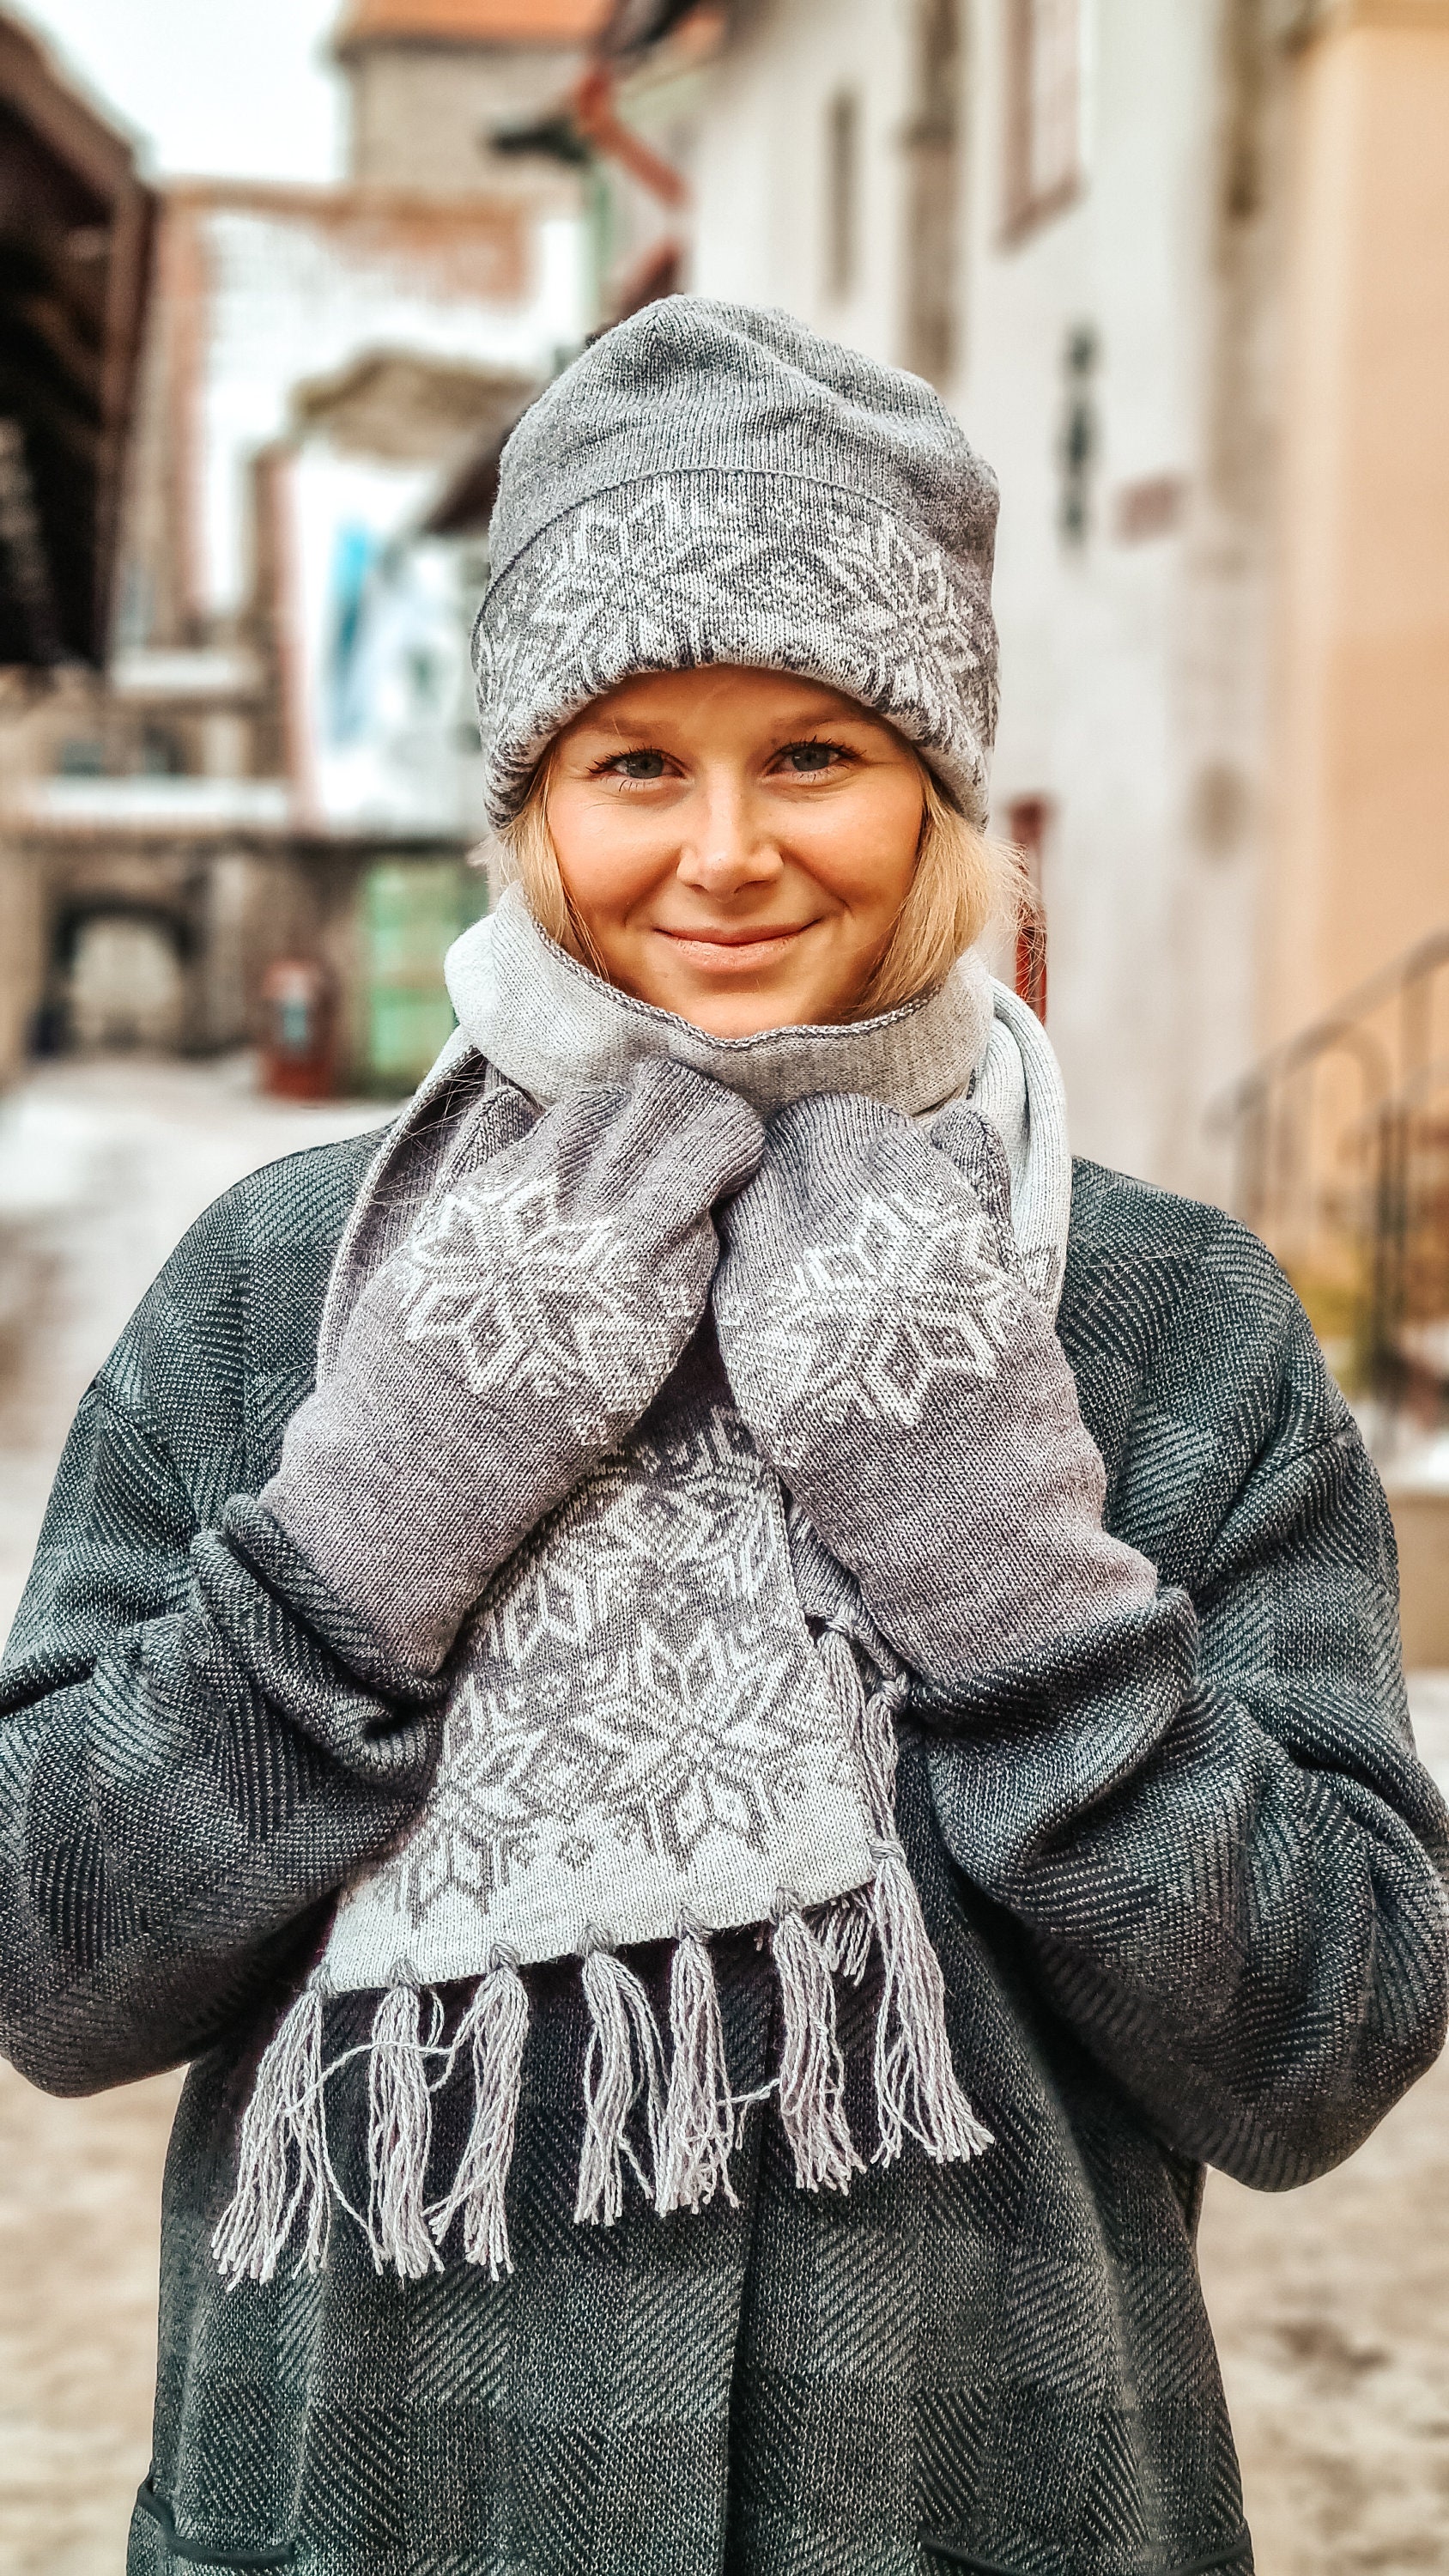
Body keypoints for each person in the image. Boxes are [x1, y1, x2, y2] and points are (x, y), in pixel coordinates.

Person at [1, 300, 1445, 2576]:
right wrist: (369, 1526)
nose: (726, 852)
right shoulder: (287, 1288)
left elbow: (1322, 2041)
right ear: (531, 806)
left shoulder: (1158, 1322)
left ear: (941, 791)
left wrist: (1013, 1580)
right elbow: (53, 1954)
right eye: (636, 765)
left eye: (816, 756)